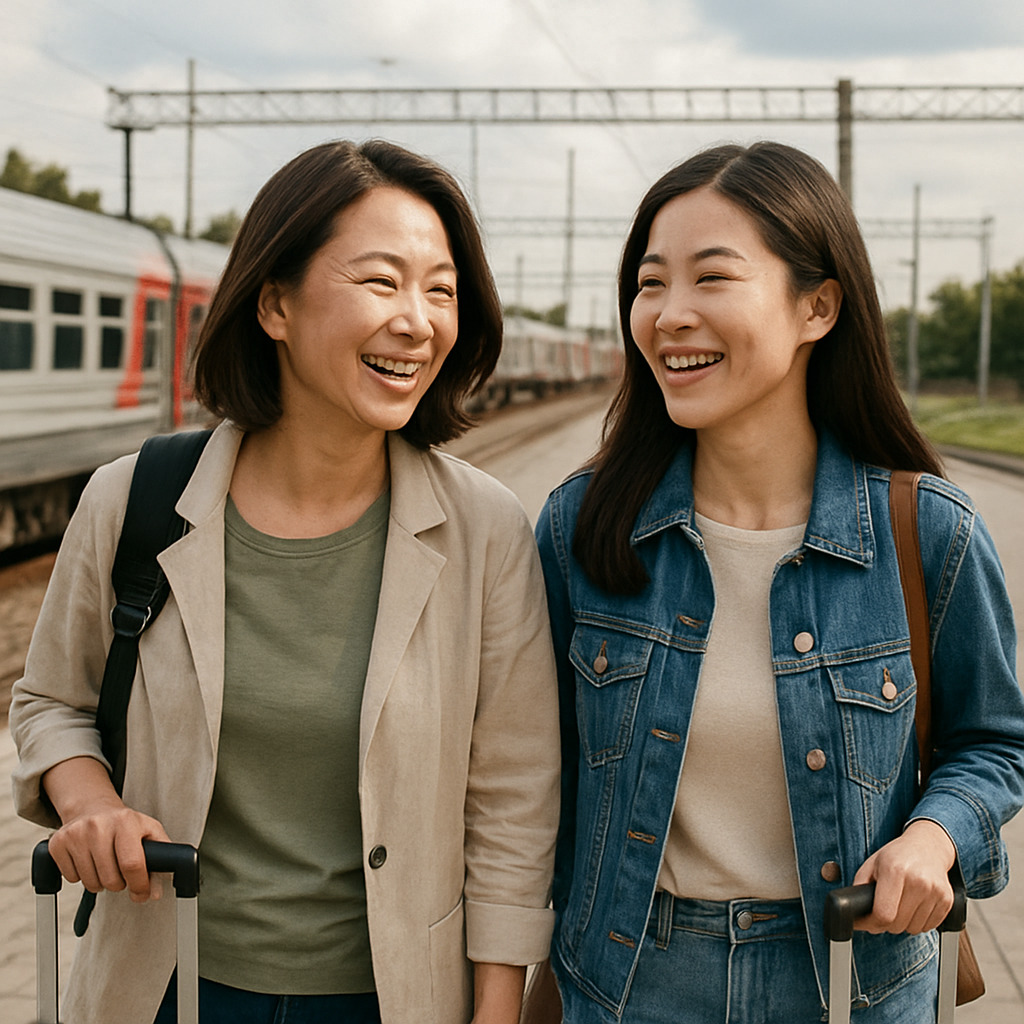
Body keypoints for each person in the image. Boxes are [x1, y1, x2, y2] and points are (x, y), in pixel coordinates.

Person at [11, 139, 560, 1024]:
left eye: (441, 289)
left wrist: (494, 1014)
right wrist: (92, 803)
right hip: (165, 987)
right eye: (382, 282)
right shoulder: (134, 500)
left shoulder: (486, 531)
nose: (418, 319)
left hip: (395, 998)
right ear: (275, 303)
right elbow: (49, 702)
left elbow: (513, 805)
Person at [534, 141, 1024, 1022]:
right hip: (631, 985)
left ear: (818, 307)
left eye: (711, 278)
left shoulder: (928, 531)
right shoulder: (584, 528)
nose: (669, 314)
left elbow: (996, 743)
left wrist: (935, 834)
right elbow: (527, 775)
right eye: (650, 283)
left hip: (853, 981)